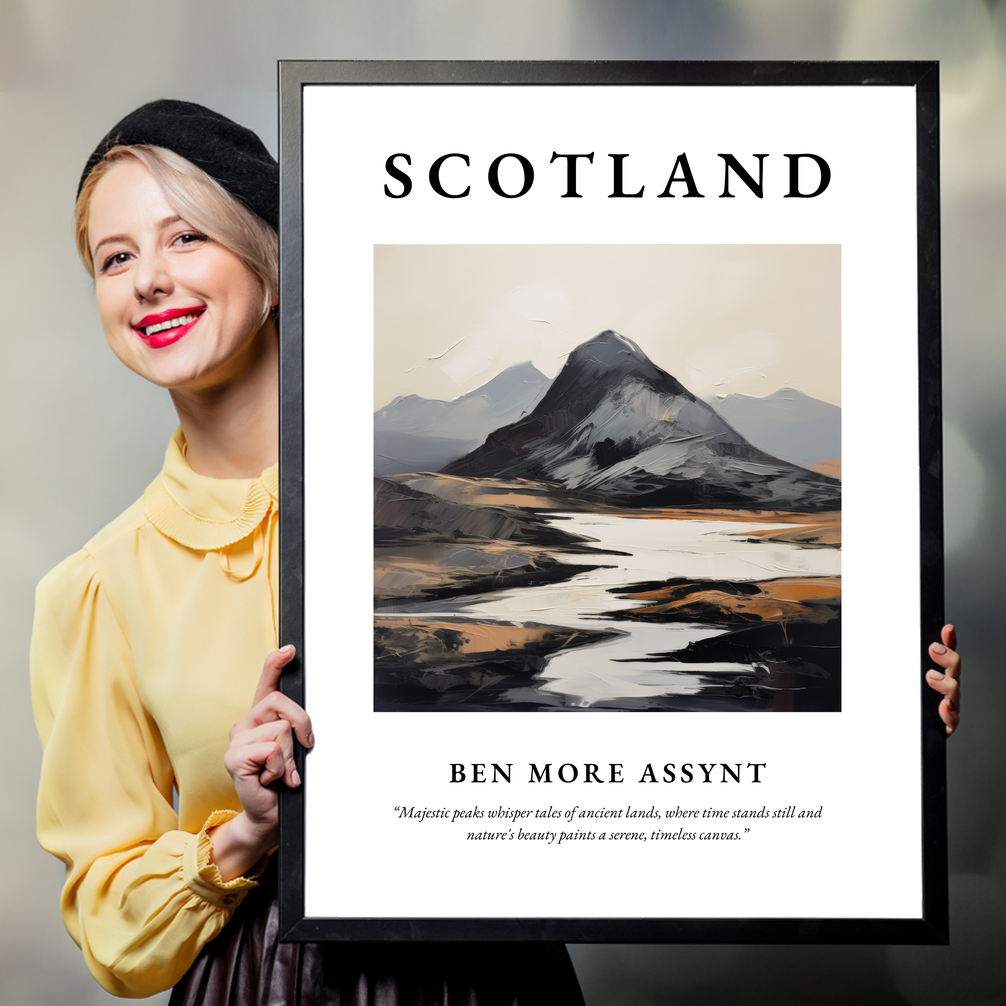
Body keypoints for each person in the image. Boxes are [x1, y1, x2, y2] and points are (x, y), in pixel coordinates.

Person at [30, 100, 585, 1004]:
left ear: (273, 264)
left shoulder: (457, 506)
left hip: (493, 974)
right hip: (262, 982)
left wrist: (888, 708)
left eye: (185, 239)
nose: (148, 281)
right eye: (116, 257)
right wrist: (244, 832)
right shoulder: (98, 587)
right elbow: (110, 924)